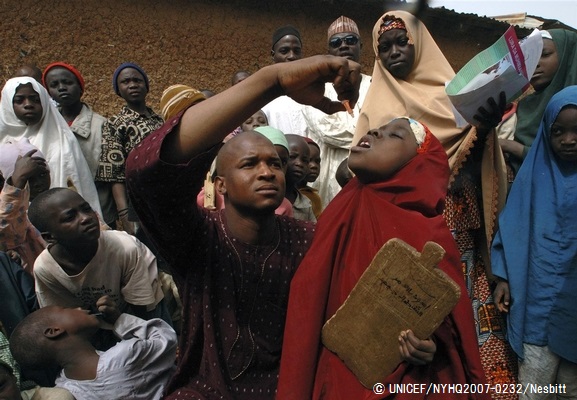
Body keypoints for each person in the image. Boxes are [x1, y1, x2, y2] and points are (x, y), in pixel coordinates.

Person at [125, 55, 360, 399]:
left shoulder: (310, 239)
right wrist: (273, 80)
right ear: (220, 186)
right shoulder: (198, 237)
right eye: (249, 164)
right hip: (206, 390)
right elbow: (147, 174)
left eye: (275, 164)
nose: (267, 173)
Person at [349, 10, 515, 392]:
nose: (393, 52)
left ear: (420, 43)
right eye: (384, 47)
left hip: (461, 232)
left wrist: (483, 130)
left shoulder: (456, 97)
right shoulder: (375, 106)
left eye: (402, 42)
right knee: (416, 339)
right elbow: (357, 172)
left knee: (472, 329)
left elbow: (477, 166)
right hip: (405, 237)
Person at [278, 117, 488, 399]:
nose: (375, 130)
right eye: (379, 127)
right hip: (332, 375)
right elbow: (310, 298)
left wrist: (429, 347)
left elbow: (451, 329)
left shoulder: (430, 233)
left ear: (418, 163)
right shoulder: (341, 209)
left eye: (395, 135)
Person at [492, 86, 577, 397]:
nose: (568, 140)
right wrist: (503, 276)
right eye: (558, 132)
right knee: (535, 385)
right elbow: (511, 228)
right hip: (535, 301)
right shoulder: (533, 178)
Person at [27, 188, 166, 329]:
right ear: (49, 237)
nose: (86, 218)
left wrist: (118, 318)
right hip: (95, 322)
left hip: (142, 307)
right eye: (70, 217)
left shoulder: (124, 247)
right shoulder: (45, 268)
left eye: (87, 209)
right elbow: (65, 320)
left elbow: (142, 315)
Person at [9, 297, 177, 400]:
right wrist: (119, 319)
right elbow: (166, 337)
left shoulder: (65, 388)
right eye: (65, 309)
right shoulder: (125, 356)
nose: (79, 308)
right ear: (54, 331)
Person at [0, 77, 102, 217]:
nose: (28, 104)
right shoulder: (2, 142)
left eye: (35, 99)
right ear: (7, 104)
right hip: (14, 222)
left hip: (63, 219)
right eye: (19, 100)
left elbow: (76, 183)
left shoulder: (61, 138)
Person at [302, 16, 372, 206]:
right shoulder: (316, 87)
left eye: (350, 41)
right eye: (336, 42)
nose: (343, 46)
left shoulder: (376, 85)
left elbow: (382, 124)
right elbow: (330, 131)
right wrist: (367, 134)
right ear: (329, 51)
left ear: (360, 46)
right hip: (326, 182)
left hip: (367, 177)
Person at [42, 62, 116, 227]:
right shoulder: (47, 127)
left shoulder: (101, 126)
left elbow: (112, 175)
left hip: (99, 208)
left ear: (81, 87)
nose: (62, 88)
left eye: (68, 83)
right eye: (54, 85)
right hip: (61, 214)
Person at [95, 62, 164, 234]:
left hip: (165, 194)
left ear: (146, 86)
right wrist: (125, 215)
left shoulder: (160, 121)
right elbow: (114, 173)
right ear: (118, 90)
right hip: (138, 201)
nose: (132, 85)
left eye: (137, 80)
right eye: (126, 82)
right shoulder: (115, 124)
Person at [499, 29, 577, 177]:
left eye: (545, 55)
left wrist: (513, 147)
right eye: (528, 59)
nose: (535, 64)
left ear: (567, 56)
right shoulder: (524, 106)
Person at [0, 139, 50, 274]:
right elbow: (5, 233)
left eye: (43, 174)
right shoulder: (7, 210)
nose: (39, 183)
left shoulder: (61, 200)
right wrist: (17, 183)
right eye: (29, 179)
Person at [262, 25, 308, 136]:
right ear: (273, 55)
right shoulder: (263, 94)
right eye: (284, 51)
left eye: (296, 51)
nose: (292, 56)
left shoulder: (312, 91)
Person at [285, 134, 316, 222]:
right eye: (292, 157)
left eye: (305, 160)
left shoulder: (305, 204)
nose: (299, 163)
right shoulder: (268, 196)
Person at [298, 137, 323, 218]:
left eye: (317, 161)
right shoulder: (283, 195)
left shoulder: (314, 198)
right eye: (308, 160)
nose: (314, 166)